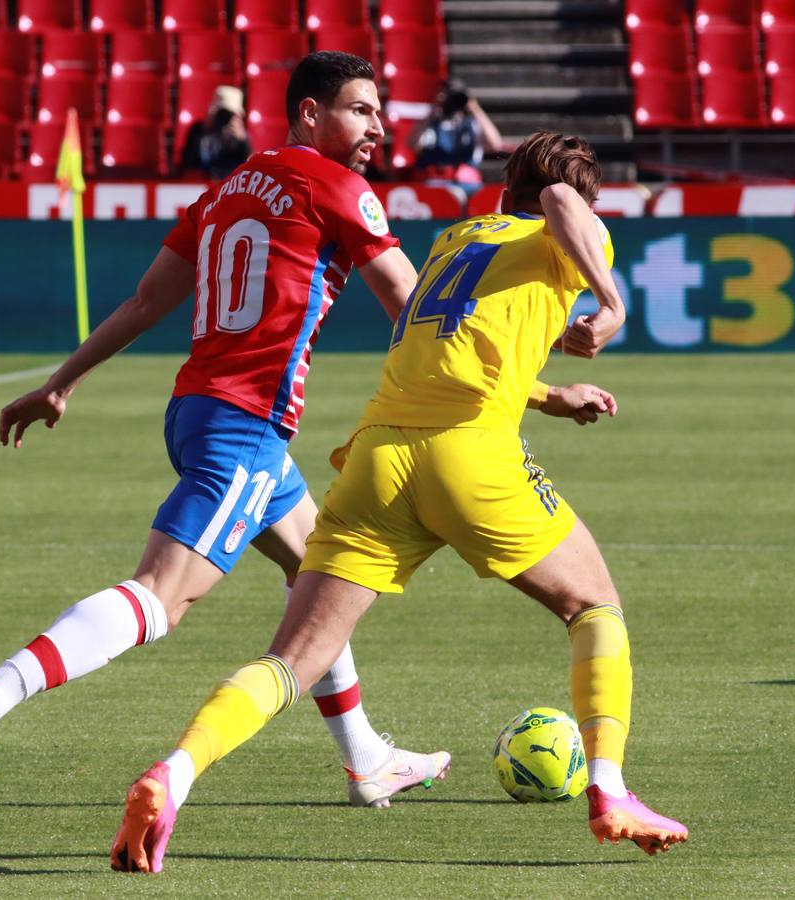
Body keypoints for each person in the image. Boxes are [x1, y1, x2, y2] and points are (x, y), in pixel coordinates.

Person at [110, 131, 689, 874]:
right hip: (469, 451)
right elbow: (559, 200)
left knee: (291, 661)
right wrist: (610, 305)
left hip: (377, 453)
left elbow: (450, 343)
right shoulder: (563, 227)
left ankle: (174, 773)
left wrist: (543, 395)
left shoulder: (455, 240)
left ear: (498, 186)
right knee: (593, 607)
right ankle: (609, 791)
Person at [0, 51, 451, 816]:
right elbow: (411, 305)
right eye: (361, 109)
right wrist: (528, 386)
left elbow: (145, 302)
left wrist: (60, 381)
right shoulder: (340, 186)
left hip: (203, 413)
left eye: (380, 110)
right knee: (163, 599)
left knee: (320, 576)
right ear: (309, 113)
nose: (379, 125)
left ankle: (365, 759)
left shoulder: (226, 190)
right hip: (243, 425)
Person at [409, 77, 504, 193]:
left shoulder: (471, 124)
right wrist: (433, 108)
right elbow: (412, 144)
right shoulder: (431, 125)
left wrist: (475, 109)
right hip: (435, 184)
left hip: (466, 184)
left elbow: (495, 144)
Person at [179, 86, 252, 181]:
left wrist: (242, 141)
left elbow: (248, 169)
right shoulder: (198, 131)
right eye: (222, 112)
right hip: (200, 184)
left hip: (229, 185)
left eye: (229, 114)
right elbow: (188, 164)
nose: (224, 117)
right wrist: (205, 130)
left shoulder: (239, 137)